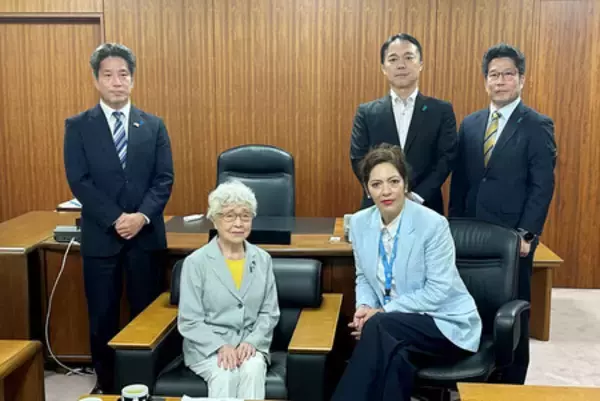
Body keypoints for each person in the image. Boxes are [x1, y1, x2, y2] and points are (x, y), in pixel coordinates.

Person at [63, 43, 174, 394]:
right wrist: (116, 218)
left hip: (145, 236)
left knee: (148, 313)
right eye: (108, 75)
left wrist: (140, 217)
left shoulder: (153, 125)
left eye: (123, 74)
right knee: (103, 315)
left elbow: (164, 179)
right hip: (101, 238)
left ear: (132, 79)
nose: (116, 82)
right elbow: (79, 180)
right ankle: (108, 384)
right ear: (96, 80)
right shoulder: (78, 126)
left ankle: (149, 381)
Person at [332, 144, 481, 401]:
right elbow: (364, 277)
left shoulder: (433, 224)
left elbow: (437, 291)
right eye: (376, 184)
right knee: (396, 358)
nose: (386, 191)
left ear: (406, 184)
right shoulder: (359, 223)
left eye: (393, 181)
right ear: (367, 189)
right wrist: (364, 307)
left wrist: (381, 313)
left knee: (379, 327)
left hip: (443, 323)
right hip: (393, 328)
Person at [449, 43, 557, 384]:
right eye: (494, 75)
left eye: (508, 74)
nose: (500, 81)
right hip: (471, 235)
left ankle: (512, 383)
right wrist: (453, 227)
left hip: (513, 238)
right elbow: (460, 181)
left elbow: (542, 186)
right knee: (470, 304)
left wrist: (527, 234)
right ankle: (471, 377)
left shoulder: (537, 125)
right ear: (485, 81)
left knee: (514, 311)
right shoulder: (470, 124)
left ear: (521, 79)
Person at [178, 180, 280, 399]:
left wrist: (252, 341)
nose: (238, 223)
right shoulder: (196, 262)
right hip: (208, 347)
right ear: (214, 219)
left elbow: (269, 313)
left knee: (253, 368)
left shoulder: (263, 259)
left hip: (250, 343)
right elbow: (190, 320)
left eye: (245, 216)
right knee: (225, 373)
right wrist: (220, 346)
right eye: (229, 216)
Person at [350, 33, 458, 214]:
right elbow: (358, 158)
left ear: (420, 64)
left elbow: (446, 159)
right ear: (383, 68)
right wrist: (382, 191)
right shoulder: (366, 113)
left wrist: (416, 196)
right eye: (393, 59)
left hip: (425, 207)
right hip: (378, 206)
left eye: (408, 57)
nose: (401, 65)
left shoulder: (441, 111)